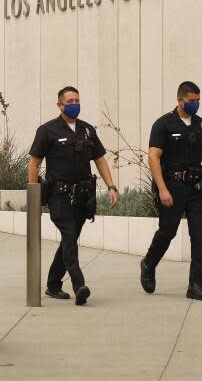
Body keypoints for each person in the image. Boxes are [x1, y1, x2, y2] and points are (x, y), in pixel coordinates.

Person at [28, 86, 119, 306]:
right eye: (70, 101)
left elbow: (100, 160)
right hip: (59, 196)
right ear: (59, 105)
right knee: (69, 236)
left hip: (82, 197)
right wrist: (34, 196)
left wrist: (111, 186)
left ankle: (52, 284)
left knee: (69, 240)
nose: (74, 104)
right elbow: (35, 163)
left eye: (77, 100)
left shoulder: (87, 130)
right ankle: (79, 285)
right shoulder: (47, 130)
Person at [140, 81, 202, 300]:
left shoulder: (201, 125)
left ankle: (195, 285)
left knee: (199, 234)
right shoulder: (164, 125)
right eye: (191, 101)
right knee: (168, 232)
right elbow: (153, 157)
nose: (195, 104)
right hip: (173, 187)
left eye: (198, 100)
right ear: (179, 100)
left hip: (196, 188)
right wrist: (163, 189)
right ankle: (149, 263)